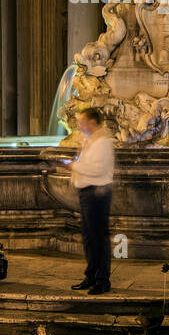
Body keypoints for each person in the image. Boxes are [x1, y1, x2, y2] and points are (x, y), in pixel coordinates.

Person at [69, 107, 115, 294]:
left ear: (92, 122)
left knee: (98, 237)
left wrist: (74, 166)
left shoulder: (103, 142)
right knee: (89, 237)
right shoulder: (91, 140)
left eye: (82, 122)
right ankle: (91, 275)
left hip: (97, 193)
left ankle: (102, 280)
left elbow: (98, 169)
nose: (80, 126)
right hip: (88, 192)